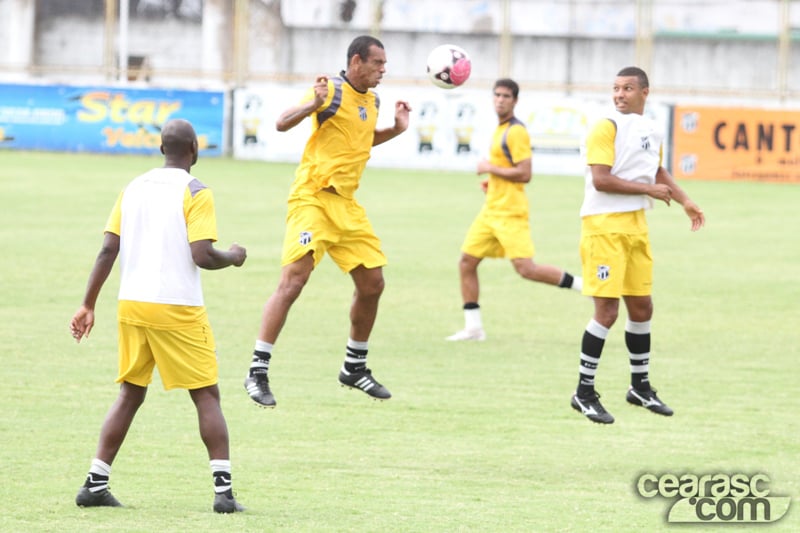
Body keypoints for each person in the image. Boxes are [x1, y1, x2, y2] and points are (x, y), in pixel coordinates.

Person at [69, 119, 248, 512]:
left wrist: (87, 304)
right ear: (195, 149)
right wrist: (234, 257)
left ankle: (95, 484)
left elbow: (107, 250)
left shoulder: (132, 187)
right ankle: (224, 493)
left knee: (131, 392)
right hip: (177, 306)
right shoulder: (196, 191)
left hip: (132, 304)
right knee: (206, 395)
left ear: (161, 149)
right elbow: (202, 255)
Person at [244, 35, 411, 407]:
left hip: (347, 206)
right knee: (294, 281)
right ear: (356, 61)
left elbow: (361, 141)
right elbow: (281, 123)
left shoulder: (373, 99)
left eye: (385, 64)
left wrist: (396, 130)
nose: (384, 70)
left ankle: (354, 366)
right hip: (313, 199)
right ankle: (257, 370)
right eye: (378, 63)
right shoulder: (330, 92)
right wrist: (312, 105)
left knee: (373, 283)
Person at [570, 67, 705, 424]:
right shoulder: (605, 126)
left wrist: (685, 200)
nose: (619, 94)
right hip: (603, 228)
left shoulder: (649, 128)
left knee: (643, 308)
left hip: (635, 227)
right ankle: (583, 393)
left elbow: (656, 172)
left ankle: (639, 387)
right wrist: (648, 190)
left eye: (627, 88)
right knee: (607, 313)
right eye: (615, 88)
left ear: (645, 92)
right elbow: (600, 180)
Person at [446, 78, 583, 342]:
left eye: (506, 96)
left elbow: (525, 173)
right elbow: (508, 169)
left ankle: (585, 286)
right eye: (496, 95)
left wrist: (489, 168)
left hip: (510, 213)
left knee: (526, 269)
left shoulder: (516, 131)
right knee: (466, 262)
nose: (500, 100)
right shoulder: (500, 129)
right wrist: (493, 182)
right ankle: (473, 327)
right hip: (491, 210)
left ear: (515, 101)